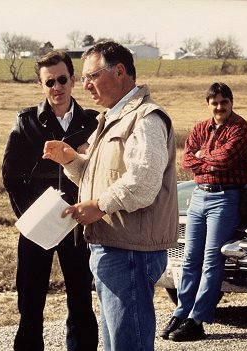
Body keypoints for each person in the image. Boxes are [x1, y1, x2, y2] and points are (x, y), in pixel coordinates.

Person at [42, 42, 178, 351]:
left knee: (127, 344)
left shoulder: (146, 119)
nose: (85, 85)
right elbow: (98, 175)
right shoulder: (114, 117)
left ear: (119, 72)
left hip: (129, 251)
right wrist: (70, 160)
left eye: (92, 76)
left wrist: (99, 206)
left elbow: (143, 183)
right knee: (118, 342)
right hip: (115, 247)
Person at [2, 50, 99, 351]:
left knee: (81, 300)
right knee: (30, 304)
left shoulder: (93, 122)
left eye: (61, 80)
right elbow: (11, 176)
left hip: (77, 224)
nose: (56, 88)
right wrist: (30, 218)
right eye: (49, 83)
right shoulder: (27, 122)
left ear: (72, 80)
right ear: (41, 86)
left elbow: (100, 174)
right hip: (38, 225)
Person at [161, 82, 247, 342]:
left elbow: (226, 159)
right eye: (215, 103)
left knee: (212, 259)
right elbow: (186, 160)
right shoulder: (201, 127)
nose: (219, 107)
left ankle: (197, 319)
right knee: (190, 259)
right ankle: (181, 313)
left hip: (225, 197)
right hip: (199, 196)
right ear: (208, 104)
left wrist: (204, 156)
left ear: (231, 103)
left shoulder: (240, 128)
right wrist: (207, 159)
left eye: (224, 102)